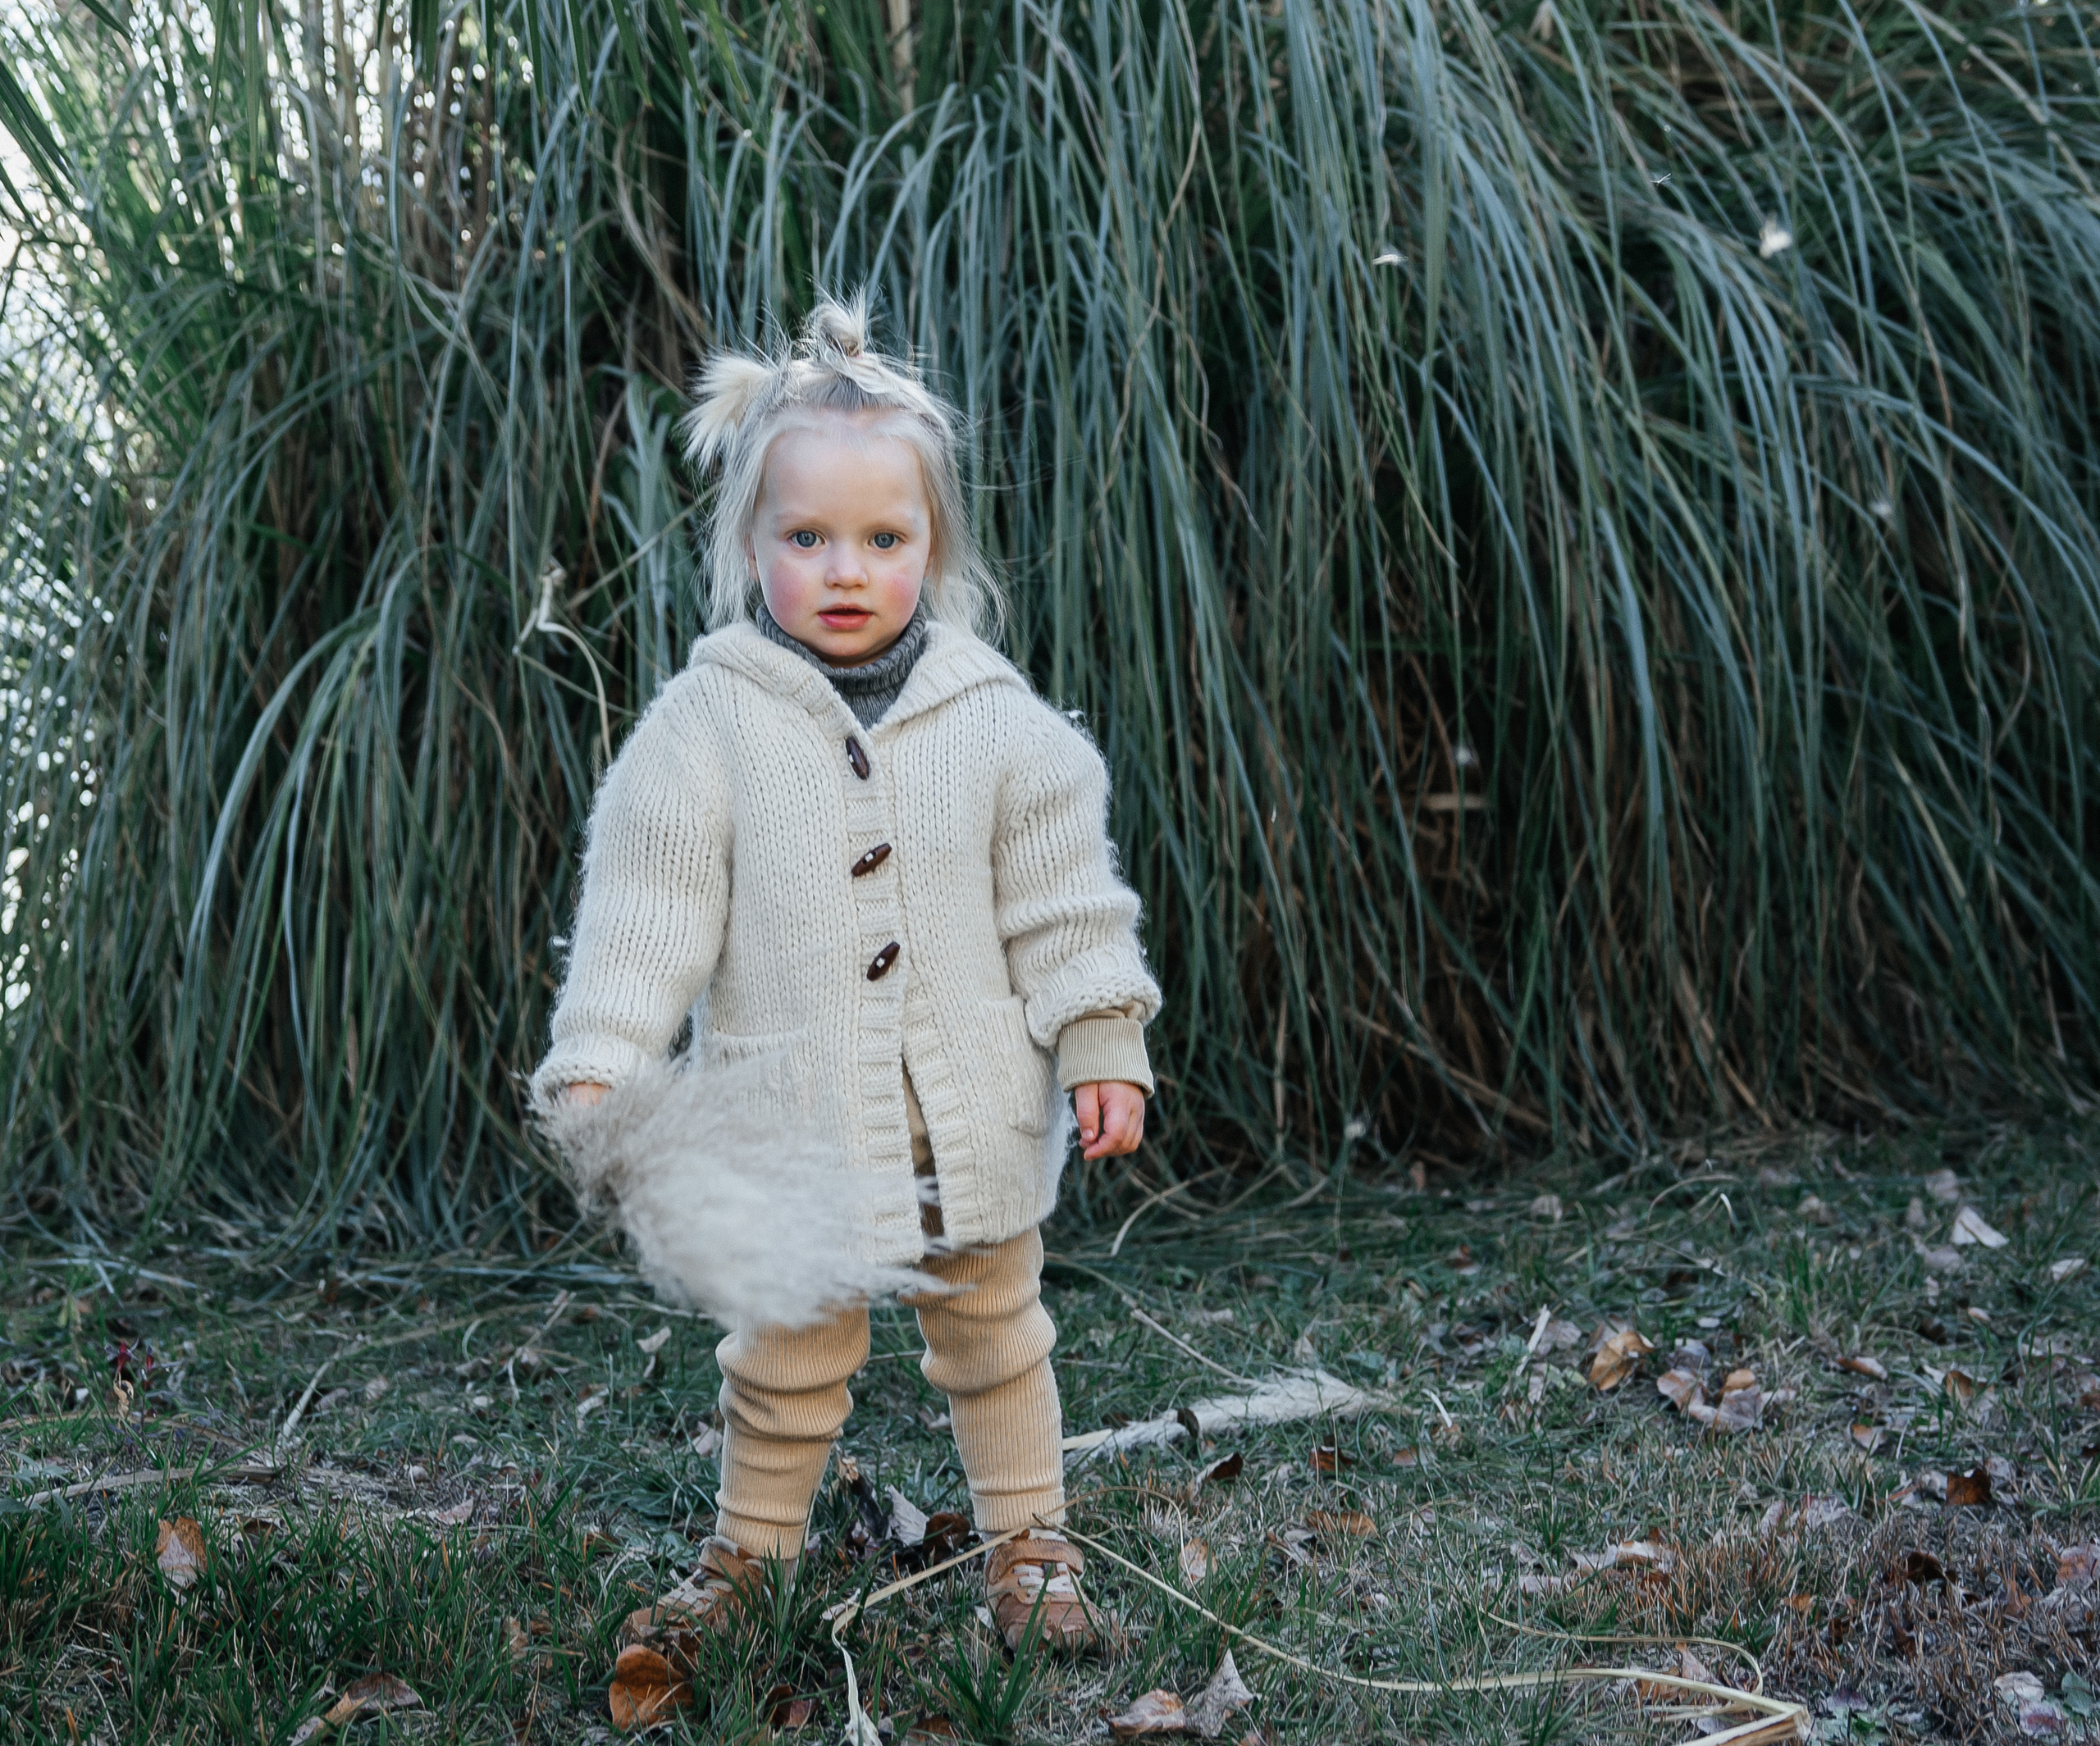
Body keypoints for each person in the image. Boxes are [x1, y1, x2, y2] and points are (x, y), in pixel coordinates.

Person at [531, 292, 1159, 1657]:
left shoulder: (1002, 725)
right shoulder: (708, 725)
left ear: (934, 545)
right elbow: (648, 903)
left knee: (997, 1332)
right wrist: (606, 1051)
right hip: (793, 1120)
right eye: (806, 537)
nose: (846, 568)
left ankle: (1031, 1548)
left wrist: (1103, 1035)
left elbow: (1062, 905)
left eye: (885, 538)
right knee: (786, 1352)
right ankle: (746, 1561)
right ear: (750, 542)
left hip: (973, 1114)